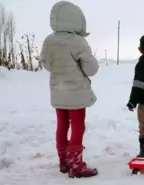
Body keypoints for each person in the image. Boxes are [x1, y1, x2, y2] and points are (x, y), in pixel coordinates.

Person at [40, 1, 99, 178]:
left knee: (62, 125)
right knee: (78, 127)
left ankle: (64, 161)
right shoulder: (78, 42)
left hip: (58, 91)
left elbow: (46, 63)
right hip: (76, 94)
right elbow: (91, 69)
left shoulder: (49, 41)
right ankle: (76, 165)